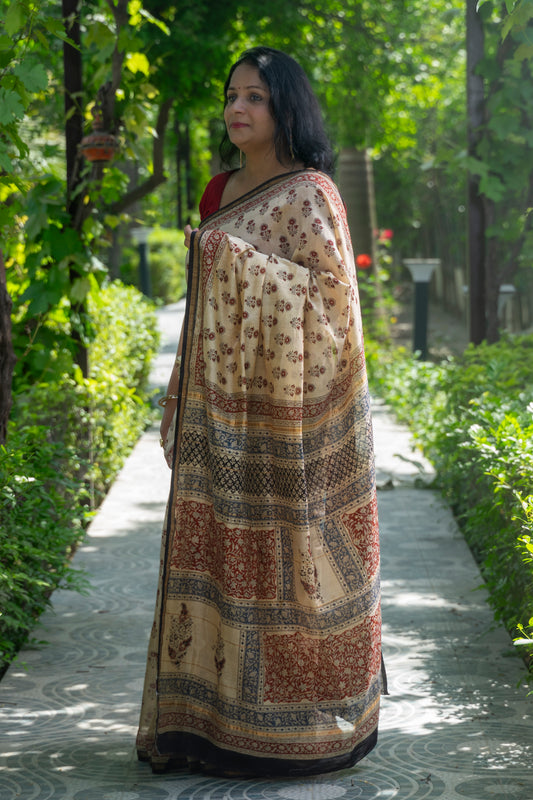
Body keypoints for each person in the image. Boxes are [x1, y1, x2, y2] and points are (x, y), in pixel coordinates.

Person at [136, 45, 384, 779]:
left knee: (294, 563)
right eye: (230, 96)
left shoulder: (312, 195)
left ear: (285, 109)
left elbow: (335, 313)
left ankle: (306, 728)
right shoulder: (220, 190)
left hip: (294, 428)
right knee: (215, 555)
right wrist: (180, 391)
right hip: (221, 416)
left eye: (254, 98)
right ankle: (207, 724)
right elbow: (203, 308)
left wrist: (231, 261)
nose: (236, 109)